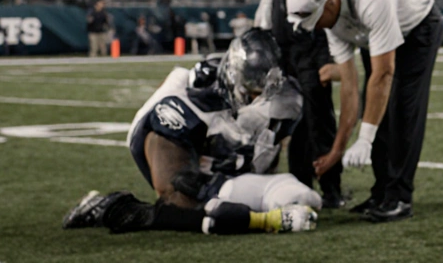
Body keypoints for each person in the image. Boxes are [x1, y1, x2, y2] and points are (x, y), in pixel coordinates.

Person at [62, 30, 318, 235]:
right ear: (232, 76)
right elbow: (173, 196)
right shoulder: (181, 107)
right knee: (192, 203)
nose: (255, 98)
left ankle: (225, 194)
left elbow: (274, 144)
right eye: (250, 90)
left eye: (261, 91)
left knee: (301, 196)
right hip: (180, 149)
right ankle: (111, 207)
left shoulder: (284, 97)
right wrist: (263, 220)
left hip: (222, 146)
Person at [287, 0, 442, 224]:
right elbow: (349, 87)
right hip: (372, 35)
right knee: (374, 107)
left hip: (418, 29)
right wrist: (337, 150)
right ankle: (381, 192)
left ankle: (400, 197)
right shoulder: (330, 15)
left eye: (314, 19)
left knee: (402, 109)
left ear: (331, 0)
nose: (314, 28)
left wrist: (365, 139)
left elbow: (383, 75)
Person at [254, 0, 346, 208]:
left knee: (319, 117)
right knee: (285, 117)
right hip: (283, 50)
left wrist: (332, 53)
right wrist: (261, 36)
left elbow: (335, 1)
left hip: (313, 46)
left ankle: (332, 189)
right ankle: (298, 184)